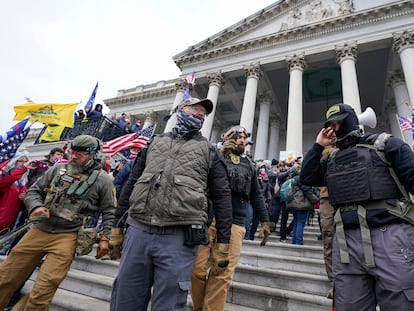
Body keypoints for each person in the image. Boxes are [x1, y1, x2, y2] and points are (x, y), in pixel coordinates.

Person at [110, 97, 232, 311]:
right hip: (139, 230)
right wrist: (116, 227)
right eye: (194, 109)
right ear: (180, 111)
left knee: (169, 304)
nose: (199, 114)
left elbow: (222, 198)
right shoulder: (154, 143)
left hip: (179, 237)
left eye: (203, 112)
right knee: (125, 298)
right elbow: (131, 184)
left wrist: (223, 243)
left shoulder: (210, 152)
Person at [300, 103, 414, 310]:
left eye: (339, 123)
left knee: (402, 302)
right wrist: (318, 146)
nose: (335, 128)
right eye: (331, 124)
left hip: (391, 236)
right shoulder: (331, 158)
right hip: (346, 241)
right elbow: (307, 177)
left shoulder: (387, 144)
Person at [0, 135, 116, 310]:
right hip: (39, 229)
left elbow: (109, 211)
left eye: (80, 154)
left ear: (94, 156)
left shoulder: (103, 180)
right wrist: (36, 207)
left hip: (68, 236)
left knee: (43, 290)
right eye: (72, 152)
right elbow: (34, 191)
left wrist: (106, 238)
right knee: (5, 277)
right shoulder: (57, 169)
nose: (74, 156)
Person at [191, 125, 270, 311]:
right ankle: (199, 307)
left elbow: (256, 195)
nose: (241, 140)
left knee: (223, 274)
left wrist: (265, 221)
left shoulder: (249, 165)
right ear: (225, 137)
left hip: (236, 223)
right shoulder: (213, 157)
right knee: (197, 270)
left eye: (244, 137)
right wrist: (220, 154)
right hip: (209, 220)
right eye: (237, 136)